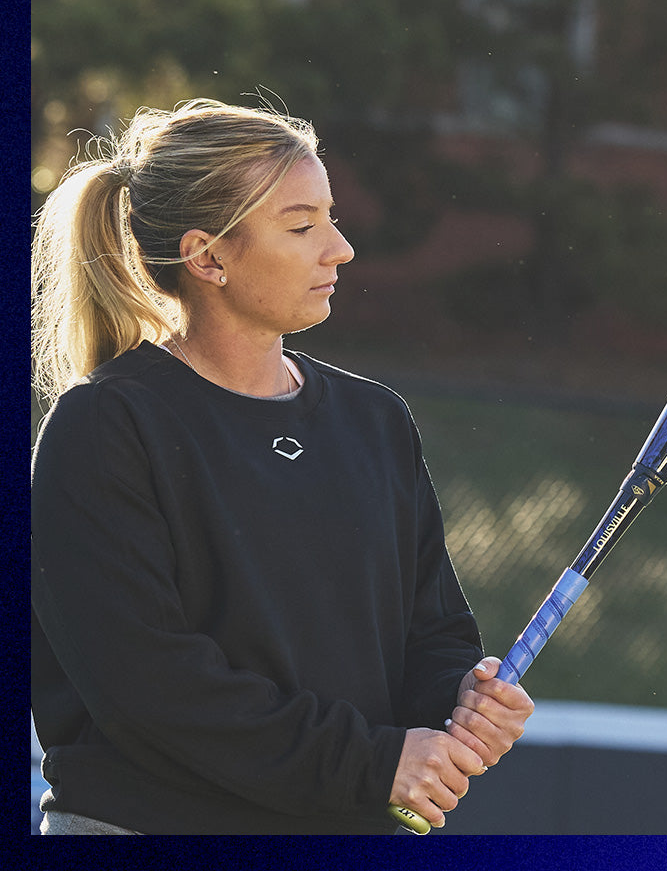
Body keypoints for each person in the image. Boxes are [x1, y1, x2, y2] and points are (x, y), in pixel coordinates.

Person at [30, 98, 535, 835]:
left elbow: (429, 638)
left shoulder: (375, 420)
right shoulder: (105, 427)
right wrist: (373, 763)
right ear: (208, 257)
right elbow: (148, 688)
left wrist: (459, 696)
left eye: (330, 217)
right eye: (302, 226)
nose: (339, 248)